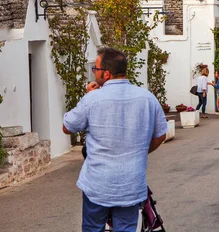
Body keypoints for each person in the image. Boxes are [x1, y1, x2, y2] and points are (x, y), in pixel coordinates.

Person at [62, 47, 167, 232]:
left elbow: (67, 126)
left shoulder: (93, 99)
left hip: (97, 183)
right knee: (126, 228)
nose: (94, 74)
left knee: (93, 227)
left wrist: (88, 95)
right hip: (131, 183)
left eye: (95, 70)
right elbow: (161, 134)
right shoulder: (147, 98)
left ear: (107, 73)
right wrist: (140, 150)